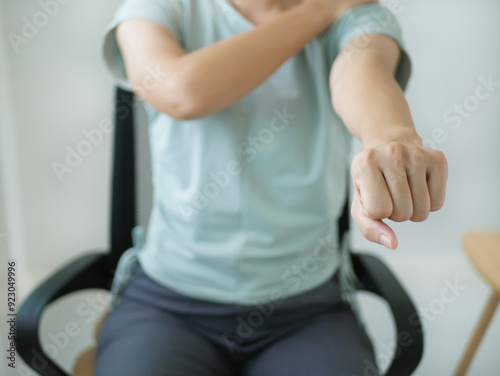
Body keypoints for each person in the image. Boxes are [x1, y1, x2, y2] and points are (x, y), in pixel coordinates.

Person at [95, 0, 448, 375]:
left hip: (307, 312)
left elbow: (363, 71)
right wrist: (320, 9)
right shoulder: (160, 7)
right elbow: (182, 91)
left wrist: (389, 136)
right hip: (166, 304)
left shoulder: (357, 15)